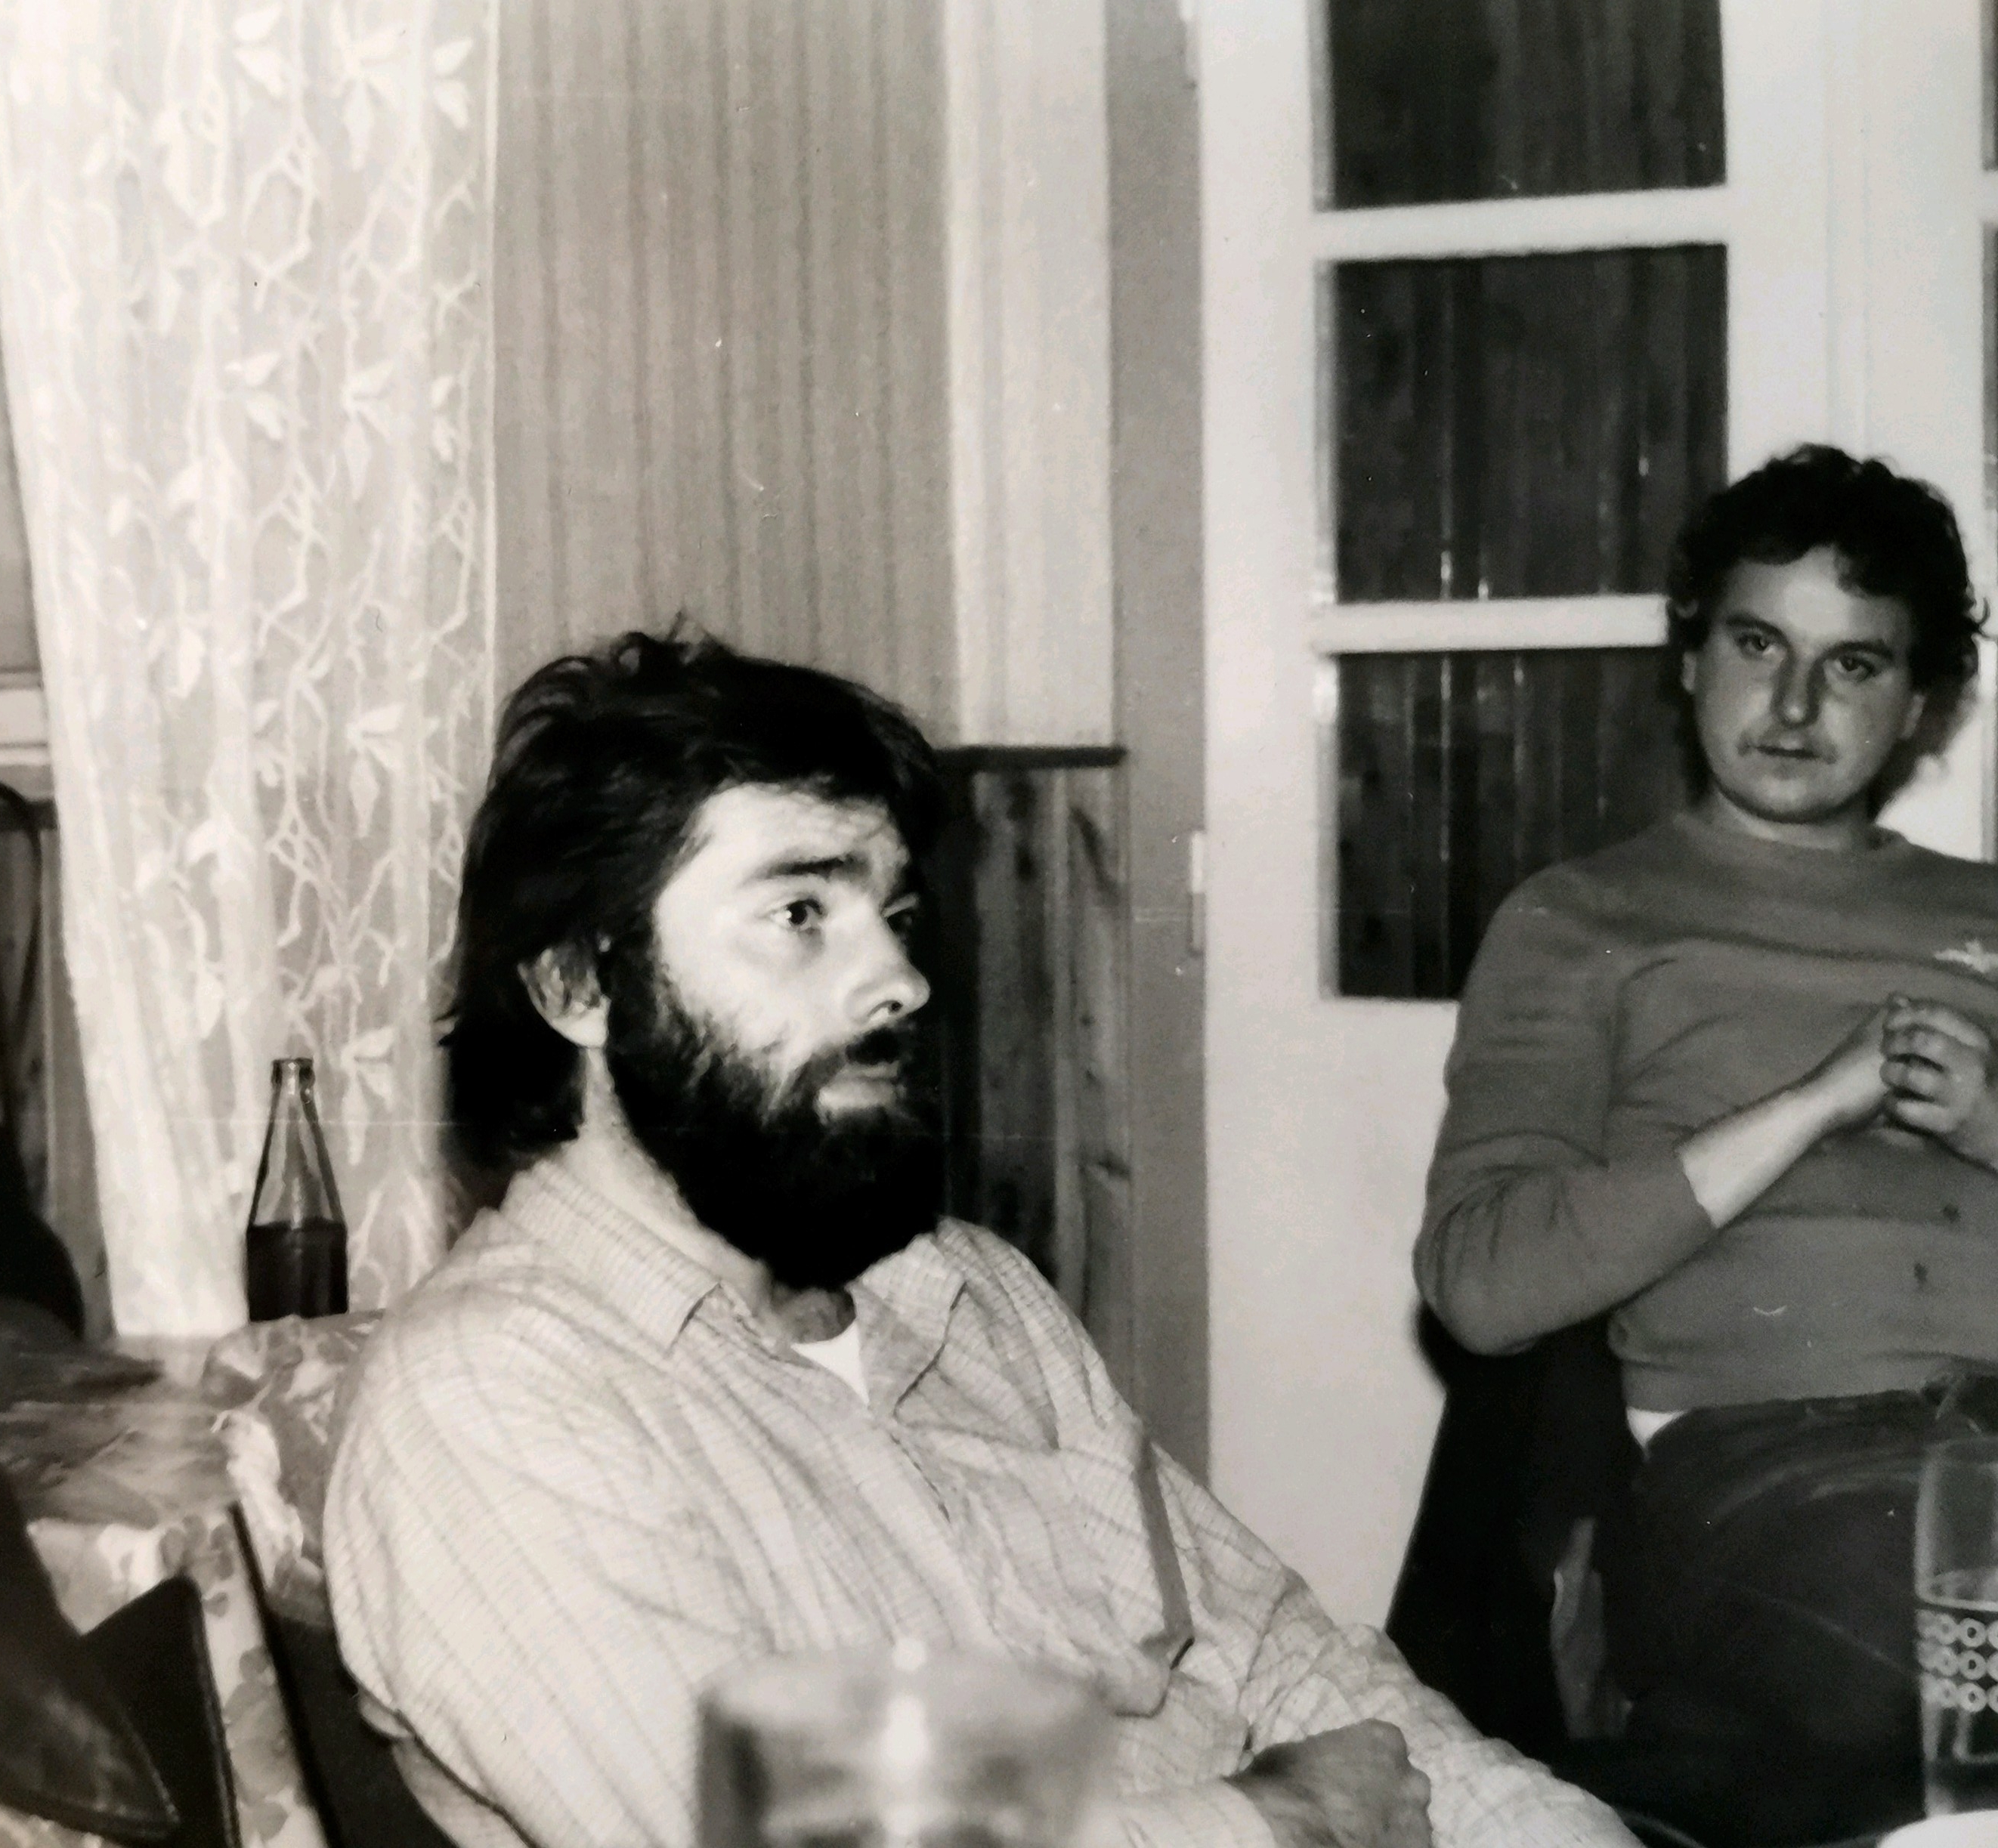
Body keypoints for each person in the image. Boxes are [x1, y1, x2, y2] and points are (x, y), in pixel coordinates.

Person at [326, 632, 1632, 1848]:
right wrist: (1270, 1821)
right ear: (578, 984)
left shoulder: (968, 1295)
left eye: (894, 917)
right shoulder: (489, 1397)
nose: (901, 981)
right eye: (800, 913)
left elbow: (1284, 1655)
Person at [1417, 444, 1998, 1844]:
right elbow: (1480, 1283)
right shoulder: (1581, 919)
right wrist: (1806, 1105)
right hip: (1774, 1463)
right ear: (1687, 658)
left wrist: (1991, 1120)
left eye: (1851, 664)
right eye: (1755, 644)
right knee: (1921, 1685)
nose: (1792, 705)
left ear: (1920, 705)